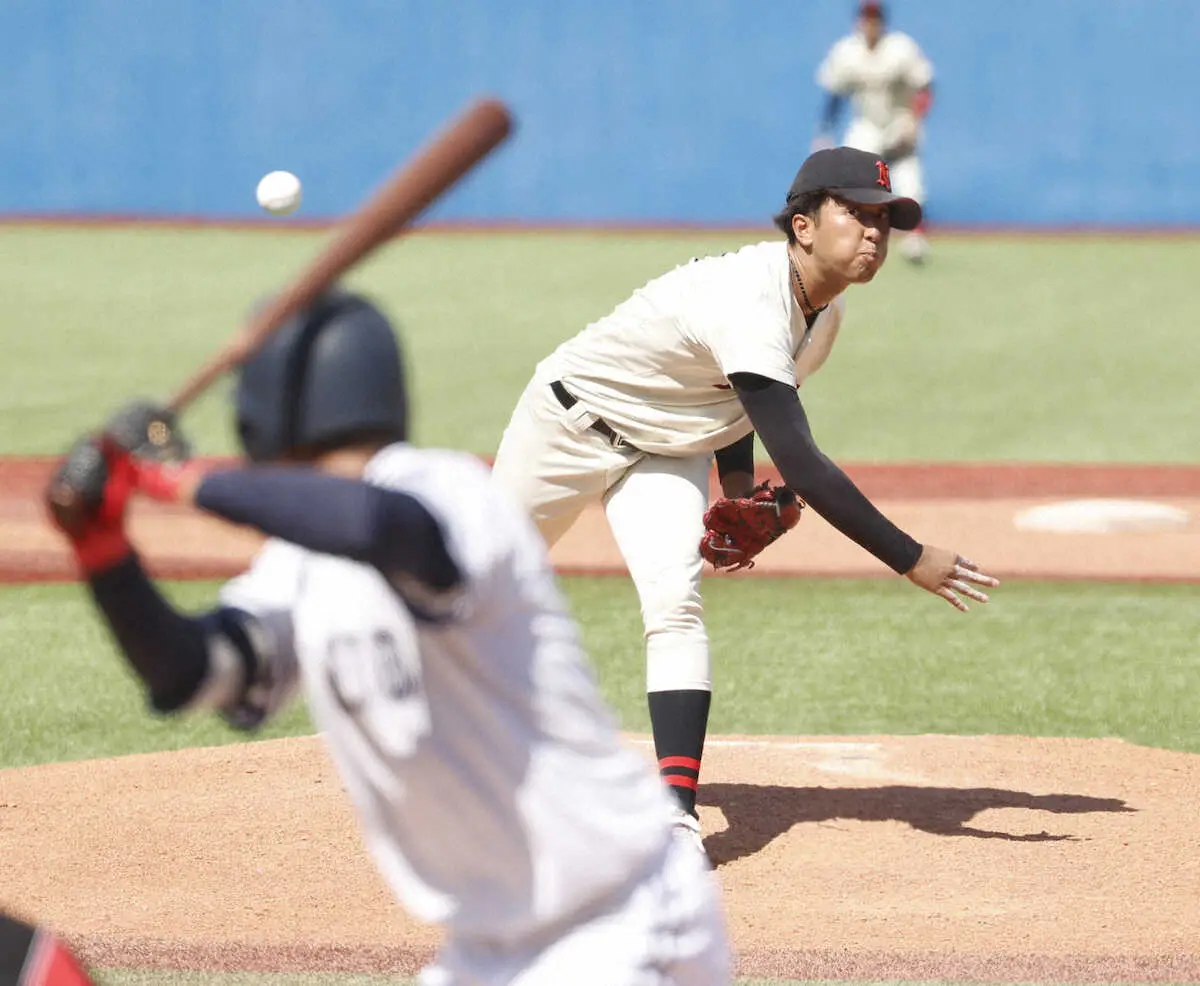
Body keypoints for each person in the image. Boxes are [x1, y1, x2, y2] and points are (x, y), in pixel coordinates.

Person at [42, 291, 731, 986]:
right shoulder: (296, 566)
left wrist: (182, 481)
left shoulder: (449, 492)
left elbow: (383, 529)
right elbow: (190, 672)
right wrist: (105, 557)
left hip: (624, 919)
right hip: (486, 947)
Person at [491, 146, 999, 848]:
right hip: (566, 426)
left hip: (665, 451)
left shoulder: (824, 316)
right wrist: (910, 557)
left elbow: (735, 401)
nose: (876, 231)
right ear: (803, 226)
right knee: (472, 588)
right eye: (856, 213)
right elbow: (807, 468)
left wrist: (734, 490)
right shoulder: (751, 297)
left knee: (676, 607)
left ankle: (675, 810)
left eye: (885, 217)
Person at [814, 1, 935, 263]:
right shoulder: (847, 51)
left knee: (910, 185)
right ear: (858, 21)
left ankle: (915, 239)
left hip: (899, 122)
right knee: (849, 182)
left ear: (883, 21)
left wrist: (914, 121)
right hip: (867, 124)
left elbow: (925, 86)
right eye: (866, 17)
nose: (870, 23)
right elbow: (834, 93)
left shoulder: (900, 48)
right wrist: (825, 130)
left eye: (875, 18)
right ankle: (845, 238)